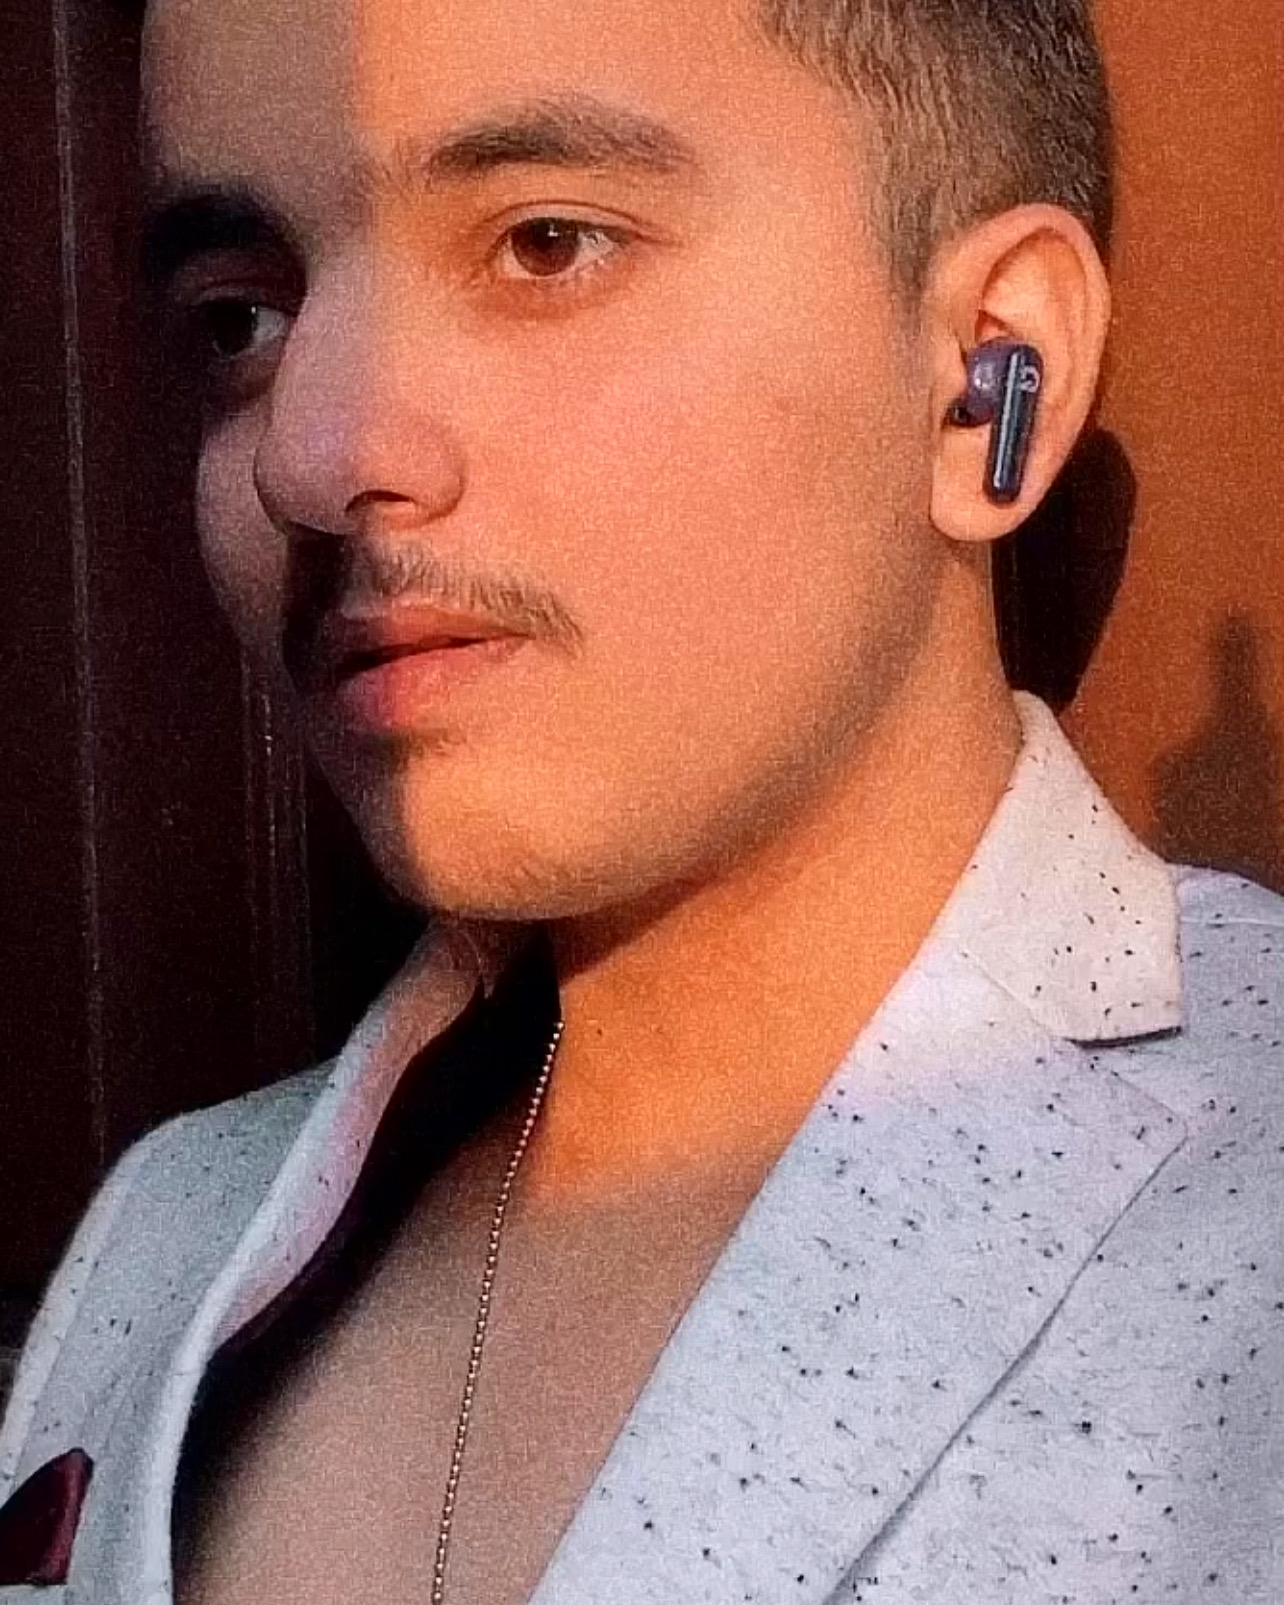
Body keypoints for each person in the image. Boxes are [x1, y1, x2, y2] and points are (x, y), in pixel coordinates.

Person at [0, 0, 1280, 1600]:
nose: (310, 458)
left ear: (984, 369)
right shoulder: (166, 1236)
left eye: (545, 245)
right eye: (240, 319)